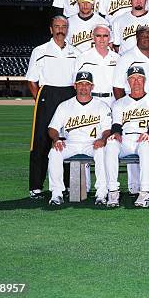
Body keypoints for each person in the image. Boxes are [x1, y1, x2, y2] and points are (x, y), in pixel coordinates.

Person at [26, 16, 78, 199]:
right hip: (47, 94)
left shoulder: (75, 52)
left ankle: (67, 186)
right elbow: (32, 81)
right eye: (57, 26)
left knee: (67, 139)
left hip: (69, 95)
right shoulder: (39, 50)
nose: (60, 29)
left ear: (68, 29)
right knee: (40, 141)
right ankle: (36, 187)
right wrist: (41, 100)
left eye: (64, 26)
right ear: (50, 29)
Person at [46, 71, 110, 206]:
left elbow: (107, 129)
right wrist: (56, 139)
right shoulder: (65, 105)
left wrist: (103, 139)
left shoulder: (101, 105)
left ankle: (101, 192)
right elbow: (52, 128)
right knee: (54, 152)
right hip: (71, 143)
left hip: (92, 143)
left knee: (101, 151)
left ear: (92, 87)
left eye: (87, 84)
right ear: (75, 86)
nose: (84, 87)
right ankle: (57, 193)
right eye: (80, 84)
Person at [105, 66, 149, 208]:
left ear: (144, 80)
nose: (136, 81)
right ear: (128, 81)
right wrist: (115, 134)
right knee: (110, 144)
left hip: (144, 137)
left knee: (146, 145)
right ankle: (113, 190)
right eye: (133, 78)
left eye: (139, 78)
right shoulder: (119, 103)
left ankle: (145, 191)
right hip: (125, 139)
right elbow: (116, 125)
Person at [113, 26, 149, 99]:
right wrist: (124, 105)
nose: (146, 38)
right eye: (143, 36)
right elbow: (117, 86)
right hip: (134, 102)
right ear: (137, 38)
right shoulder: (126, 58)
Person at [74, 24, 120, 105]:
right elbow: (75, 83)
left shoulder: (118, 58)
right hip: (91, 101)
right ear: (93, 37)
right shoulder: (83, 58)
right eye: (98, 35)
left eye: (105, 36)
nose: (102, 39)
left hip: (112, 101)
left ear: (110, 38)